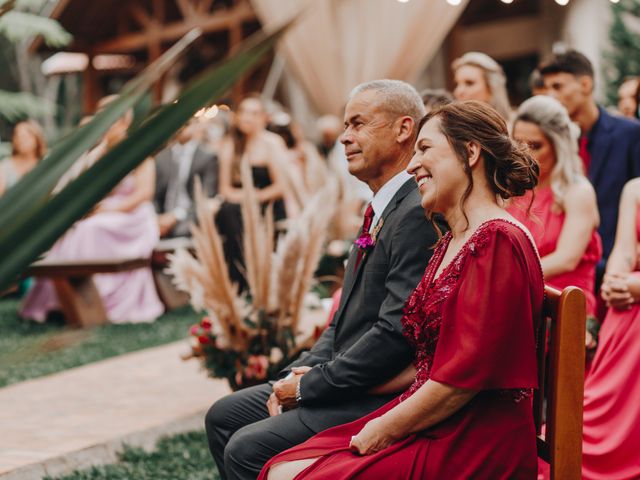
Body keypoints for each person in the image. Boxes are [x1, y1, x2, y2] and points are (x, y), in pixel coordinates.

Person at [259, 100, 543, 480]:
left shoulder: (496, 240)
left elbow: (462, 382)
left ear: (471, 152)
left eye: (425, 149)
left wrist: (383, 429)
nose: (411, 165)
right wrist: (333, 386)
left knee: (296, 474)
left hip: (474, 434)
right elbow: (426, 363)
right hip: (437, 415)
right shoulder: (453, 240)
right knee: (284, 464)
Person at [205, 80, 443, 480]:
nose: (344, 138)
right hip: (343, 375)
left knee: (246, 447)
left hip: (376, 393)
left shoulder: (416, 213)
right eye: (345, 126)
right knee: (224, 415)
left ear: (404, 129)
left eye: (358, 124)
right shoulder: (383, 207)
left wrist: (310, 387)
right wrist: (294, 375)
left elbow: (393, 333)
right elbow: (342, 320)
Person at [20, 107, 164, 324]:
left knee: (92, 229)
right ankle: (60, 298)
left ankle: (101, 295)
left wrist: (111, 209)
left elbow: (144, 193)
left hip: (133, 216)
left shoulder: (139, 152)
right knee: (71, 230)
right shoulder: (99, 153)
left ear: (124, 123)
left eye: (112, 121)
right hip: (101, 213)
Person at [539, 49, 640, 281]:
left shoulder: (631, 133)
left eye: (558, 86)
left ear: (585, 84)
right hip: (565, 273)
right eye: (546, 89)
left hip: (617, 270)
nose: (550, 96)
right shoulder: (550, 147)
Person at [508, 95, 602, 322]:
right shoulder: (512, 189)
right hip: (519, 298)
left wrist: (508, 276)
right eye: (519, 144)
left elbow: (567, 259)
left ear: (558, 145)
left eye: (536, 146)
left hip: (564, 304)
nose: (525, 154)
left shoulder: (578, 191)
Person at [580, 177, 640, 480]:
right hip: (629, 304)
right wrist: (615, 280)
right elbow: (624, 251)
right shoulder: (634, 189)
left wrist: (634, 284)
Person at [154, 119, 218, 238]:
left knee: (181, 231)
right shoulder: (161, 158)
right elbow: (154, 196)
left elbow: (205, 196)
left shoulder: (207, 157)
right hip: (161, 217)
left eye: (186, 124)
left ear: (196, 125)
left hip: (190, 215)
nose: (181, 128)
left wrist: (176, 216)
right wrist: (157, 218)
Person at [452, 51, 512, 121]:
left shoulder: (516, 127)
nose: (458, 91)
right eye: (457, 84)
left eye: (469, 83)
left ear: (491, 88)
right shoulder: (447, 127)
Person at [0, 121, 47, 196]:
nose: (20, 140)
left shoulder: (44, 164)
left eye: (25, 137)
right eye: (17, 136)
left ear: (36, 139)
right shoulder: (5, 167)